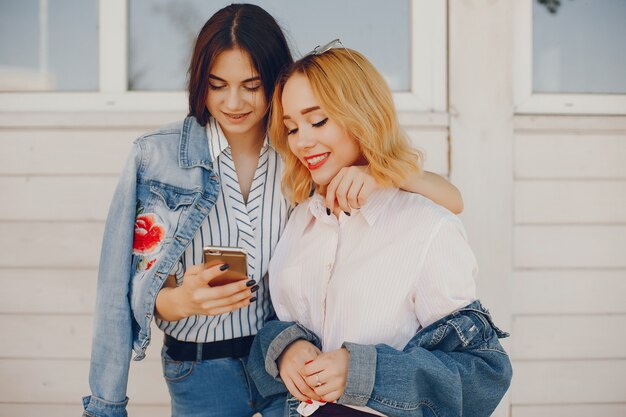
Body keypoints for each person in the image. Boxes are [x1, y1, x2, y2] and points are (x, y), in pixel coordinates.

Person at [82, 5, 465, 417]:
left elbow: (450, 200)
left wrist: (380, 173)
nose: (233, 102)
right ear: (199, 82)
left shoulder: (298, 151)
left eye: (251, 85)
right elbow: (119, 292)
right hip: (201, 369)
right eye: (217, 85)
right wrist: (179, 302)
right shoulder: (157, 157)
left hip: (288, 365)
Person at [247, 44, 512, 417]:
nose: (302, 141)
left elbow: (482, 376)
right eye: (291, 128)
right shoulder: (300, 220)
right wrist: (287, 347)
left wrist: (362, 373)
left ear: (362, 116)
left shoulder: (427, 227)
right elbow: (282, 320)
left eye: (318, 121)